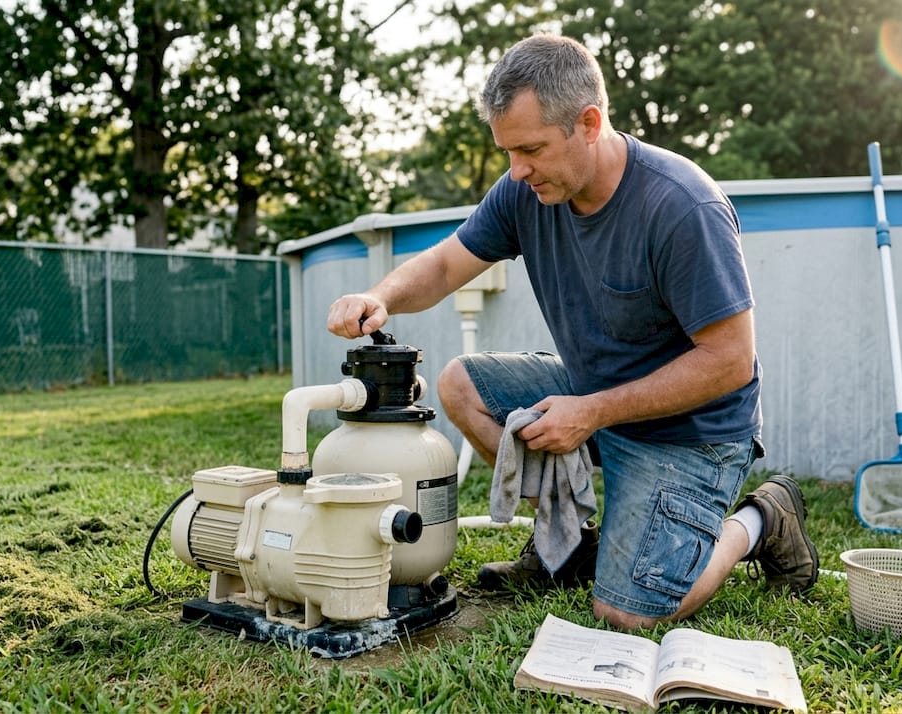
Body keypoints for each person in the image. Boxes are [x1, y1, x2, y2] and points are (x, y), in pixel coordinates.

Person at [327, 34, 818, 630]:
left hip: (692, 431)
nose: (517, 170)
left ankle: (761, 521)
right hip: (593, 392)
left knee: (626, 614)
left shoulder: (683, 206)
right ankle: (568, 543)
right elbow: (445, 264)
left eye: (530, 149)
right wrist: (379, 296)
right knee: (461, 384)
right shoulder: (525, 191)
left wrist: (591, 412)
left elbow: (730, 362)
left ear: (589, 123)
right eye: (508, 151)